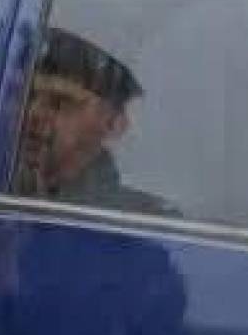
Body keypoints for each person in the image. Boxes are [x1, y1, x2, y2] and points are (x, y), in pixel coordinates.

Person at [13, 25, 175, 216]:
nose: (34, 113)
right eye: (29, 97)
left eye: (61, 103)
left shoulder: (141, 222)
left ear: (114, 124)